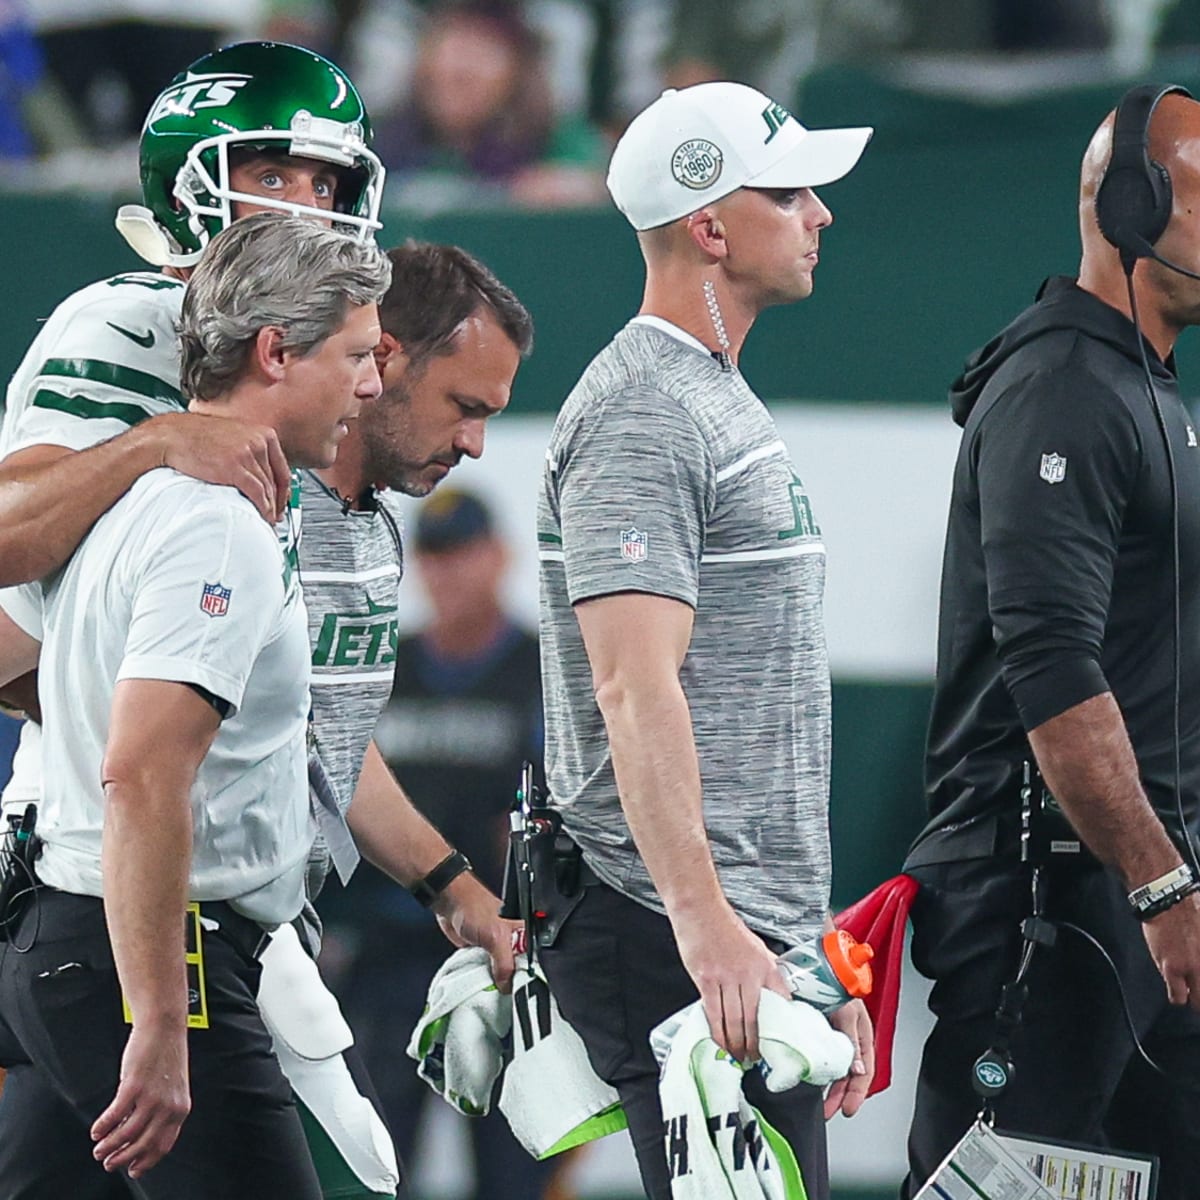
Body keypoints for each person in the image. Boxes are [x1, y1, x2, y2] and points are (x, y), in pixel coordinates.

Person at [0, 41, 519, 1200]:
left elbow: (302, 733)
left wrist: (449, 888)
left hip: (165, 899)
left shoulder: (335, 505)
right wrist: (153, 442)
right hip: (124, 893)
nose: (317, 212)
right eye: (285, 176)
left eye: (334, 187)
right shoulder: (133, 332)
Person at [0, 211, 391, 1198]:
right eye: (354, 353)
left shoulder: (136, 494)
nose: (372, 385)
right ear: (273, 351)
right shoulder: (215, 525)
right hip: (141, 947)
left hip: (95, 937)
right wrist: (161, 1019)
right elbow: (140, 775)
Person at [534, 81, 876, 1200]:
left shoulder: (708, 396)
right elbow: (635, 691)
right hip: (671, 931)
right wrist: (708, 928)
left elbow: (758, 713)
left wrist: (803, 951)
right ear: (710, 226)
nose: (821, 213)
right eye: (790, 192)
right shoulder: (644, 408)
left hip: (734, 932)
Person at [901, 88, 1200, 1200]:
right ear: (1134, 207)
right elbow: (1056, 671)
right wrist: (1165, 888)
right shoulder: (1067, 393)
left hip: (1120, 889)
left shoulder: (1144, 389)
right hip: (1060, 900)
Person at [326, 486, 551, 1200]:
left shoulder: (542, 673)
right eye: (435, 558)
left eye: (464, 555)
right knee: (379, 1168)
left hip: (505, 962)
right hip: (389, 956)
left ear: (499, 558)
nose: (449, 574)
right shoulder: (387, 667)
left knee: (516, 1170)